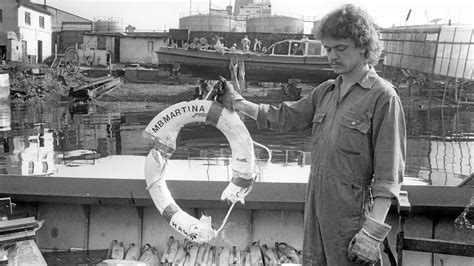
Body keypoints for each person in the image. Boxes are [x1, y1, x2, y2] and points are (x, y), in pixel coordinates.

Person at [214, 4, 406, 265]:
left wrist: (371, 234)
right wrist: (236, 102)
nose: (332, 56)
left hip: (351, 218)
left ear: (363, 46)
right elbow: (284, 116)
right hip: (315, 207)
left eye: (341, 48)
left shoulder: (384, 97)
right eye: (328, 48)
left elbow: (388, 176)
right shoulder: (326, 91)